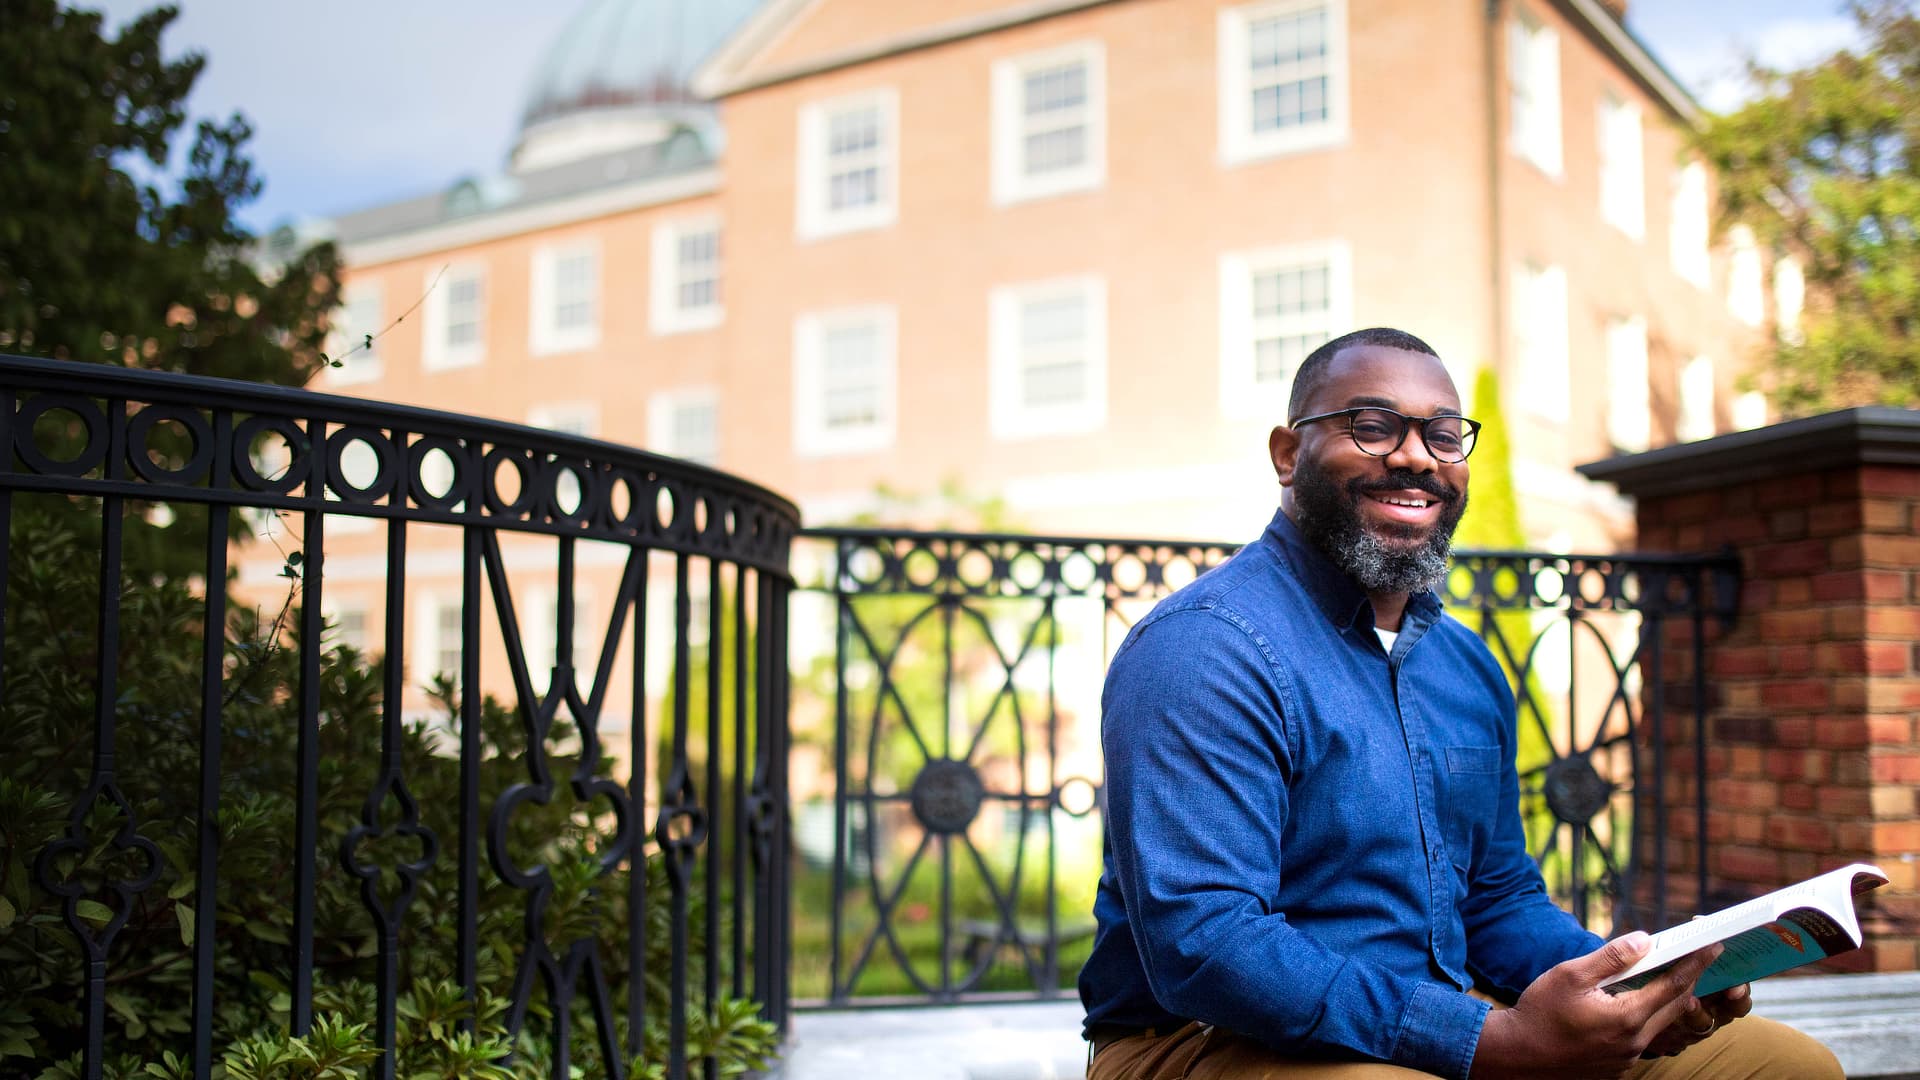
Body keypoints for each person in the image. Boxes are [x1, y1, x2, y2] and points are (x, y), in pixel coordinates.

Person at [1077, 329, 1842, 1080]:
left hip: (1440, 1020)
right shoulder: (1206, 649)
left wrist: (1630, 985)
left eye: (1445, 436)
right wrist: (1485, 1039)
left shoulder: (1465, 664)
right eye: (1372, 428)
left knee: (1784, 1065)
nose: (1416, 457)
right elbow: (1208, 944)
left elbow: (1499, 899)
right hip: (1201, 1040)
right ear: (1288, 453)